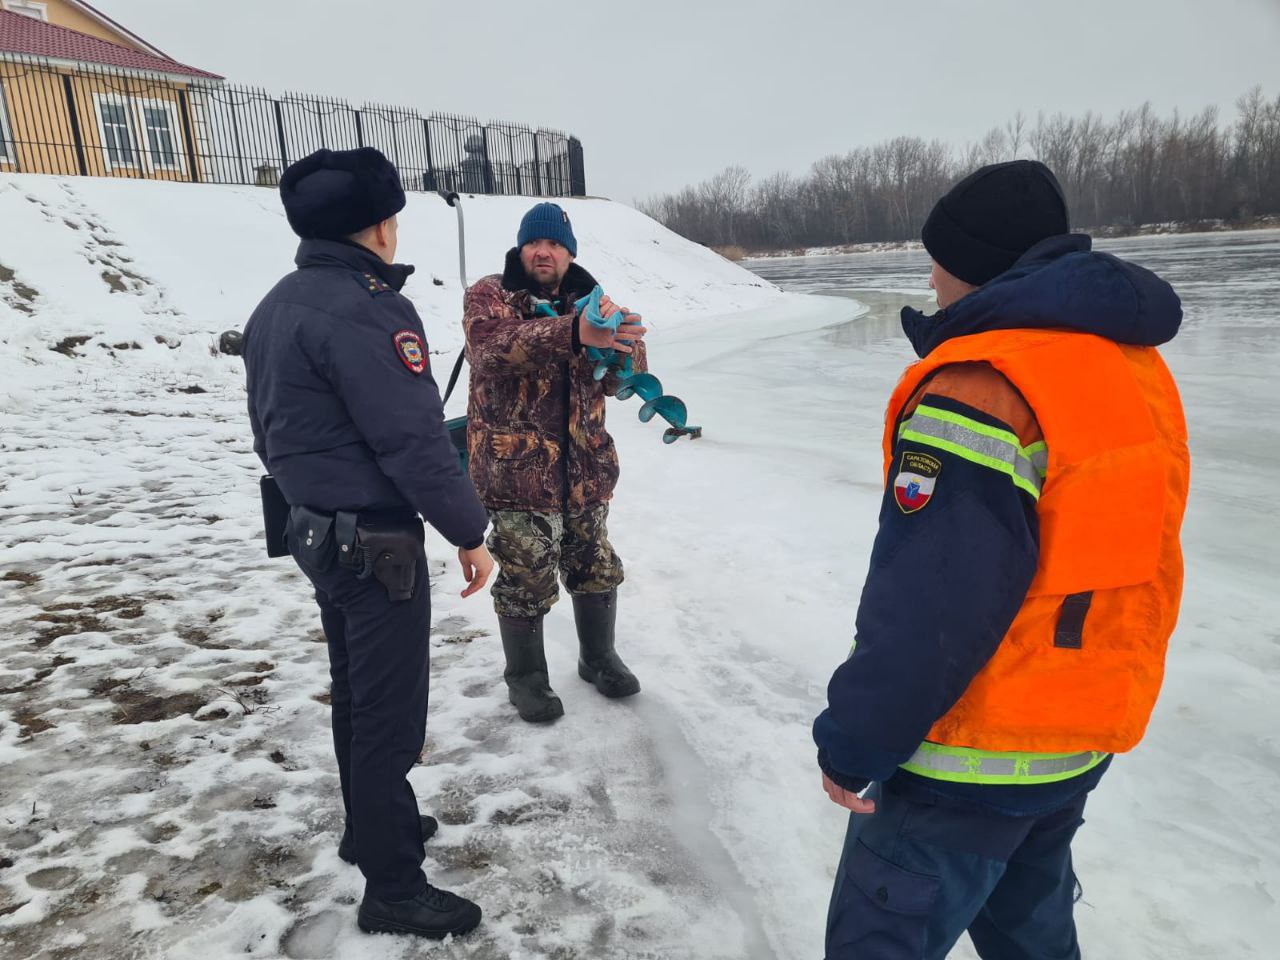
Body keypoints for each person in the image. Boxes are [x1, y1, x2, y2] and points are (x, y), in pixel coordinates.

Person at [812, 160, 1190, 959]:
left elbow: (935, 606)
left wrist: (856, 739)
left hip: (970, 757)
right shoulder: (1129, 366)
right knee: (1035, 941)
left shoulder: (983, 389)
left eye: (939, 258)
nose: (931, 276)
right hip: (1075, 738)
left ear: (974, 265)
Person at [242, 147, 494, 940]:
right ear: (379, 226)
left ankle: (370, 829)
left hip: (316, 531)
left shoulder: (277, 304)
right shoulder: (368, 308)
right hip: (374, 545)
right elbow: (415, 442)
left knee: (355, 693)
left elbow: (269, 429)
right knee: (388, 715)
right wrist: (469, 532)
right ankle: (392, 886)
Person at [462, 202, 648, 723]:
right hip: (516, 471)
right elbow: (490, 348)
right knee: (526, 577)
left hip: (585, 469)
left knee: (596, 567)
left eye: (556, 244)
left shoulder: (594, 301)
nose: (544, 252)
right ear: (521, 249)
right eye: (534, 244)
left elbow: (618, 382)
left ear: (570, 252)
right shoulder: (491, 294)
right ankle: (526, 678)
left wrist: (627, 348)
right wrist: (574, 333)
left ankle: (598, 658)